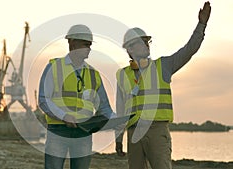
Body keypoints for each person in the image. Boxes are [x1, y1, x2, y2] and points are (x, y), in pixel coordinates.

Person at [114, 2, 211, 169]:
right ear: (129, 49)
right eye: (139, 43)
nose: (145, 45)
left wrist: (201, 25)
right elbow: (120, 108)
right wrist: (118, 138)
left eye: (147, 42)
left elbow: (189, 50)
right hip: (134, 133)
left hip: (156, 131)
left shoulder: (163, 66)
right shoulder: (123, 75)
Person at [39, 24, 115, 169]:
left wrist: (119, 120)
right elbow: (43, 100)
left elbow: (104, 108)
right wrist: (64, 116)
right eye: (86, 44)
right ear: (72, 43)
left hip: (84, 133)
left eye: (90, 45)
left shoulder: (94, 74)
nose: (89, 48)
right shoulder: (54, 67)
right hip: (58, 130)